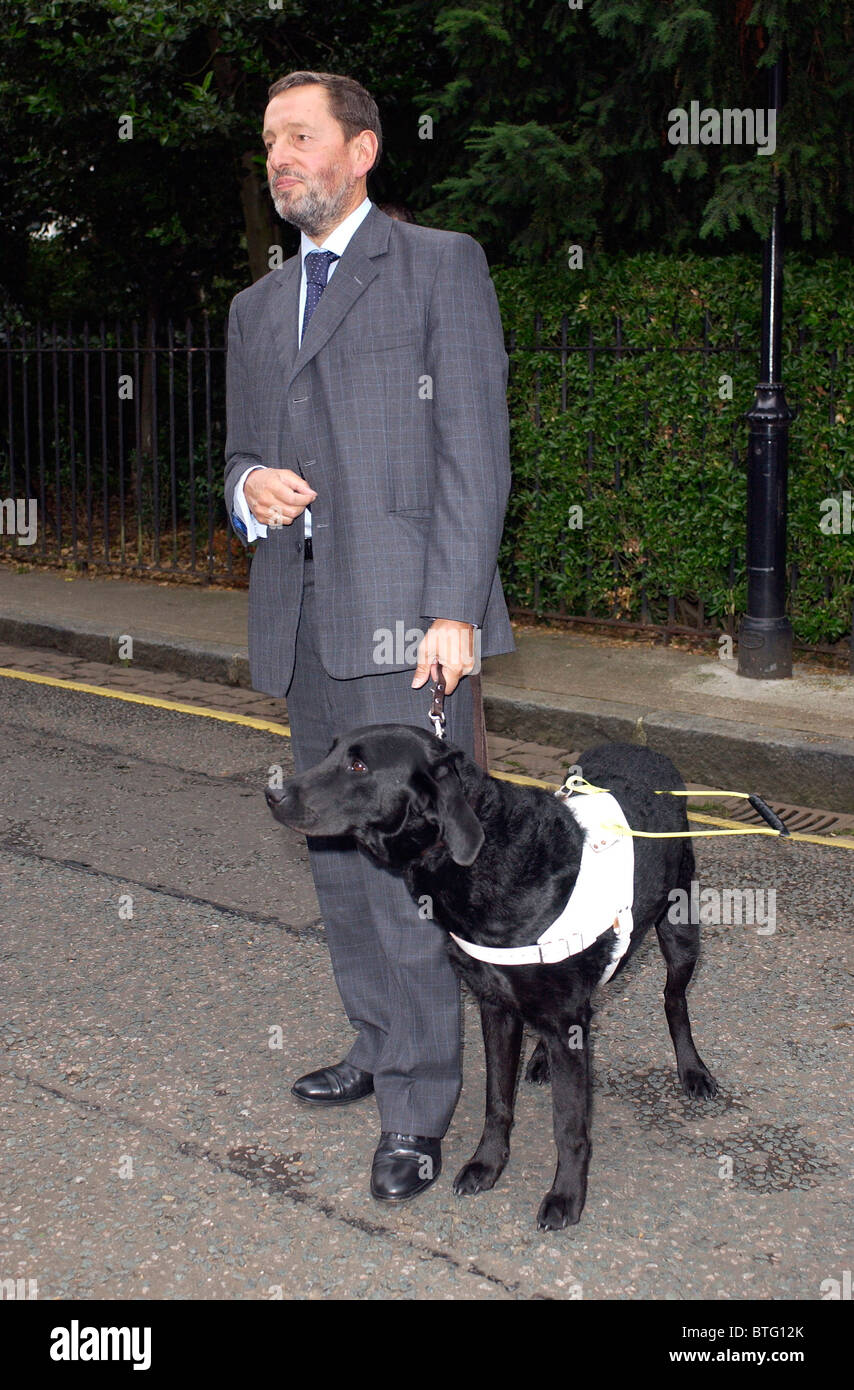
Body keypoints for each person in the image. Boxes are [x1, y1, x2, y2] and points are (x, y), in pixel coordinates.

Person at [224, 70, 514, 1203]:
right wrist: (251, 486)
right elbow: (238, 455)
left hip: (406, 626)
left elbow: (474, 453)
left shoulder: (438, 263)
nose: (278, 156)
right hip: (300, 625)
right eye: (267, 142)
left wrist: (453, 609)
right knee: (336, 863)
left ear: (361, 150)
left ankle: (417, 1102)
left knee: (413, 881)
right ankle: (374, 1040)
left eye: (298, 136)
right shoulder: (257, 306)